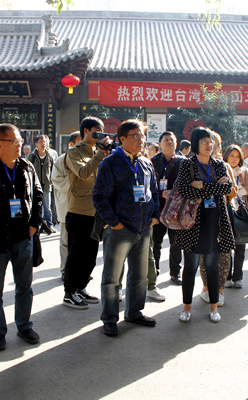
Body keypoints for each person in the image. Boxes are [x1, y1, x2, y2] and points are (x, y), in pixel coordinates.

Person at [0, 123, 43, 352]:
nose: (19, 145)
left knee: (25, 286)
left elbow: (39, 196)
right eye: (14, 141)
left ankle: (24, 325)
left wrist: (34, 225)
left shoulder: (27, 166)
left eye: (20, 141)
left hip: (24, 237)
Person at [93, 119, 160, 337]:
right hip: (121, 229)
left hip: (143, 228)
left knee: (140, 276)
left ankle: (134, 312)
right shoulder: (110, 163)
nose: (141, 140)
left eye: (142, 136)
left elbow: (154, 191)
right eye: (136, 136)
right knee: (113, 277)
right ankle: (110, 318)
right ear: (122, 139)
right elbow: (99, 197)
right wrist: (116, 223)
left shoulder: (145, 162)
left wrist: (155, 216)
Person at [174, 127, 235, 324]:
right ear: (195, 143)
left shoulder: (218, 164)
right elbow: (184, 189)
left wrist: (199, 185)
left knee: (212, 267)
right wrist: (214, 188)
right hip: (192, 221)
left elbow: (227, 188)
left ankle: (214, 307)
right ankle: (186, 307)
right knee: (190, 267)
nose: (209, 145)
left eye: (210, 141)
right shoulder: (187, 164)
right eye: (203, 141)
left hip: (215, 221)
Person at [62, 117, 112, 309]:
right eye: (96, 131)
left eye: (101, 131)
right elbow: (83, 173)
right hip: (79, 211)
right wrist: (99, 155)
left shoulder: (98, 153)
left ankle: (81, 287)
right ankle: (69, 292)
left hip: (97, 211)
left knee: (90, 255)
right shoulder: (74, 153)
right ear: (86, 131)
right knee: (76, 254)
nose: (99, 134)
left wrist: (103, 155)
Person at [151, 132, 184, 286]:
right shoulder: (152, 161)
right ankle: (154, 270)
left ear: (176, 144)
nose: (169, 142)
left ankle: (175, 272)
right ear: (160, 144)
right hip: (158, 208)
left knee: (176, 243)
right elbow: (148, 186)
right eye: (166, 140)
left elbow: (187, 184)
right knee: (156, 242)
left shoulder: (183, 162)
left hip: (176, 210)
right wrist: (161, 192)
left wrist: (175, 193)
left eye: (172, 140)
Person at [223, 145, 248, 289]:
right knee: (227, 246)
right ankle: (227, 276)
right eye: (231, 156)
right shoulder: (222, 169)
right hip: (226, 211)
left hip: (240, 211)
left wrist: (234, 192)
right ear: (226, 157)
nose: (234, 159)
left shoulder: (244, 171)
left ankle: (238, 276)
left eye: (237, 156)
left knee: (241, 247)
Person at [51, 131, 81, 279]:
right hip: (68, 205)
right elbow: (56, 181)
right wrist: (76, 181)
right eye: (80, 142)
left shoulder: (90, 159)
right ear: (71, 144)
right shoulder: (62, 160)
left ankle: (81, 269)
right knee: (66, 241)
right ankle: (65, 270)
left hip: (85, 207)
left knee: (83, 241)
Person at [27, 134, 56, 234]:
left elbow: (53, 171)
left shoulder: (50, 156)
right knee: (35, 206)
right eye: (41, 142)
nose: (43, 144)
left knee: (48, 207)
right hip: (35, 186)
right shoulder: (31, 157)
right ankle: (37, 225)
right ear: (36, 144)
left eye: (45, 142)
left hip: (47, 185)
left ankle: (49, 225)